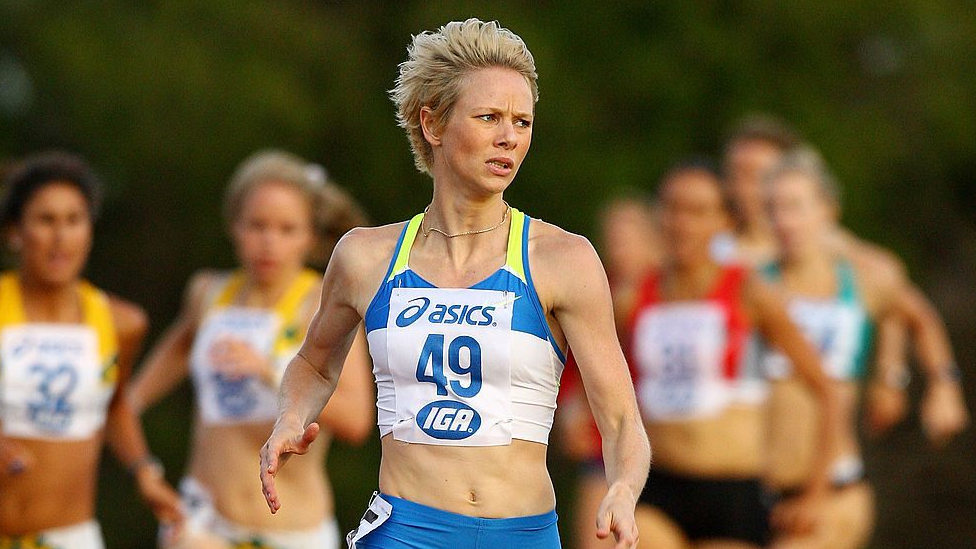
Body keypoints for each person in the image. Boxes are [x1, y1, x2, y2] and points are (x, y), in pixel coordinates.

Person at [260, 18, 650, 549]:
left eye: (522, 121)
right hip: (406, 530)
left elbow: (622, 417)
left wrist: (623, 488)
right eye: (489, 117)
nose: (508, 137)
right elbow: (313, 363)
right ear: (433, 124)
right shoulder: (365, 257)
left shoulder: (563, 259)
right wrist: (290, 417)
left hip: (524, 533)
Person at [128, 150, 374, 549]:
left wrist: (270, 370)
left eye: (286, 229)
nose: (269, 242)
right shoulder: (208, 293)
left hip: (294, 530)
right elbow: (176, 350)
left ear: (310, 235)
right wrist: (125, 409)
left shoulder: (326, 304)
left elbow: (356, 421)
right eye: (256, 226)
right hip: (203, 521)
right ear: (234, 226)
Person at [761, 148, 969, 549]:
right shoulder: (755, 282)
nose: (783, 220)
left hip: (837, 489)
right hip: (761, 490)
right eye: (772, 208)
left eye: (795, 206)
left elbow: (920, 318)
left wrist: (944, 386)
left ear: (827, 210)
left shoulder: (862, 278)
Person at [628, 160, 840, 549]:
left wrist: (816, 492)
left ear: (725, 221)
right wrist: (578, 410)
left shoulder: (749, 291)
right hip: (657, 487)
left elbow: (826, 390)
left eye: (697, 211)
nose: (681, 223)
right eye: (672, 208)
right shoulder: (634, 295)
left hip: (732, 492)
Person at [721, 114, 968, 445]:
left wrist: (894, 373)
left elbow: (896, 295)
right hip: (749, 449)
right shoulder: (718, 252)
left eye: (758, 174)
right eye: (735, 174)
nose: (744, 187)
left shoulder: (834, 249)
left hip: (834, 445)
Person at [0, 151, 182, 548]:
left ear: (90, 230)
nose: (60, 236)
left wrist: (144, 472)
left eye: (73, 220)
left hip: (72, 537)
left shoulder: (122, 322)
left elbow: (114, 405)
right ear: (15, 231)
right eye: (46, 220)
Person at [557, 194, 661, 549]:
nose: (620, 249)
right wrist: (569, 407)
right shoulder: (598, 289)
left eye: (629, 238)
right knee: (595, 532)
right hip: (605, 440)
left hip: (664, 436)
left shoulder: (668, 288)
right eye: (613, 239)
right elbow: (574, 364)